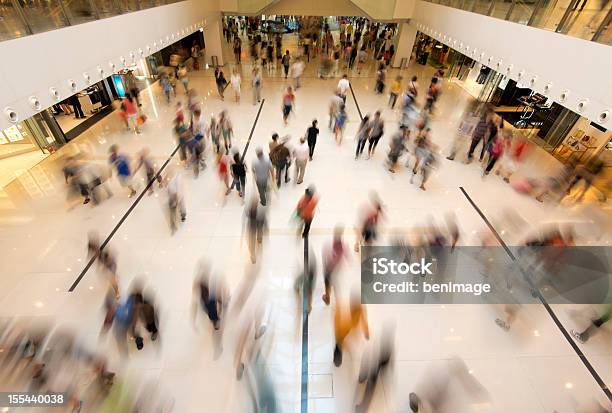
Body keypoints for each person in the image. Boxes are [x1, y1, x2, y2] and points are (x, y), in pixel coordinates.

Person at [333, 293, 369, 367]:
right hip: (343, 330)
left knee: (341, 341)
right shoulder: (346, 311)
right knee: (340, 341)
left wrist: (366, 331)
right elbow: (337, 320)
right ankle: (338, 352)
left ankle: (338, 352)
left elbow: (363, 318)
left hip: (348, 329)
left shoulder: (360, 308)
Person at [322, 227, 348, 305]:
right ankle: (335, 299)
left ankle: (327, 297)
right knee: (334, 282)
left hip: (330, 266)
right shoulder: (342, 245)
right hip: (336, 267)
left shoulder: (334, 245)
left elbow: (327, 255)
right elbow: (345, 255)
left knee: (328, 281)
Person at [244, 197, 268, 263]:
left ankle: (259, 239)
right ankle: (253, 255)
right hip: (252, 228)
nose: (254, 205)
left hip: (259, 225)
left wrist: (266, 228)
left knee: (260, 234)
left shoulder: (261, 209)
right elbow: (244, 218)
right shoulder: (248, 210)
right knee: (251, 242)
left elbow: (265, 220)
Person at [166, 167, 186, 234]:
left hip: (178, 195)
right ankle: (173, 226)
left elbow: (179, 187)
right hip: (171, 197)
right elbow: (167, 187)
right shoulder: (168, 178)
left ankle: (183, 215)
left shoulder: (177, 177)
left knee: (181, 206)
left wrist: (178, 197)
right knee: (172, 212)